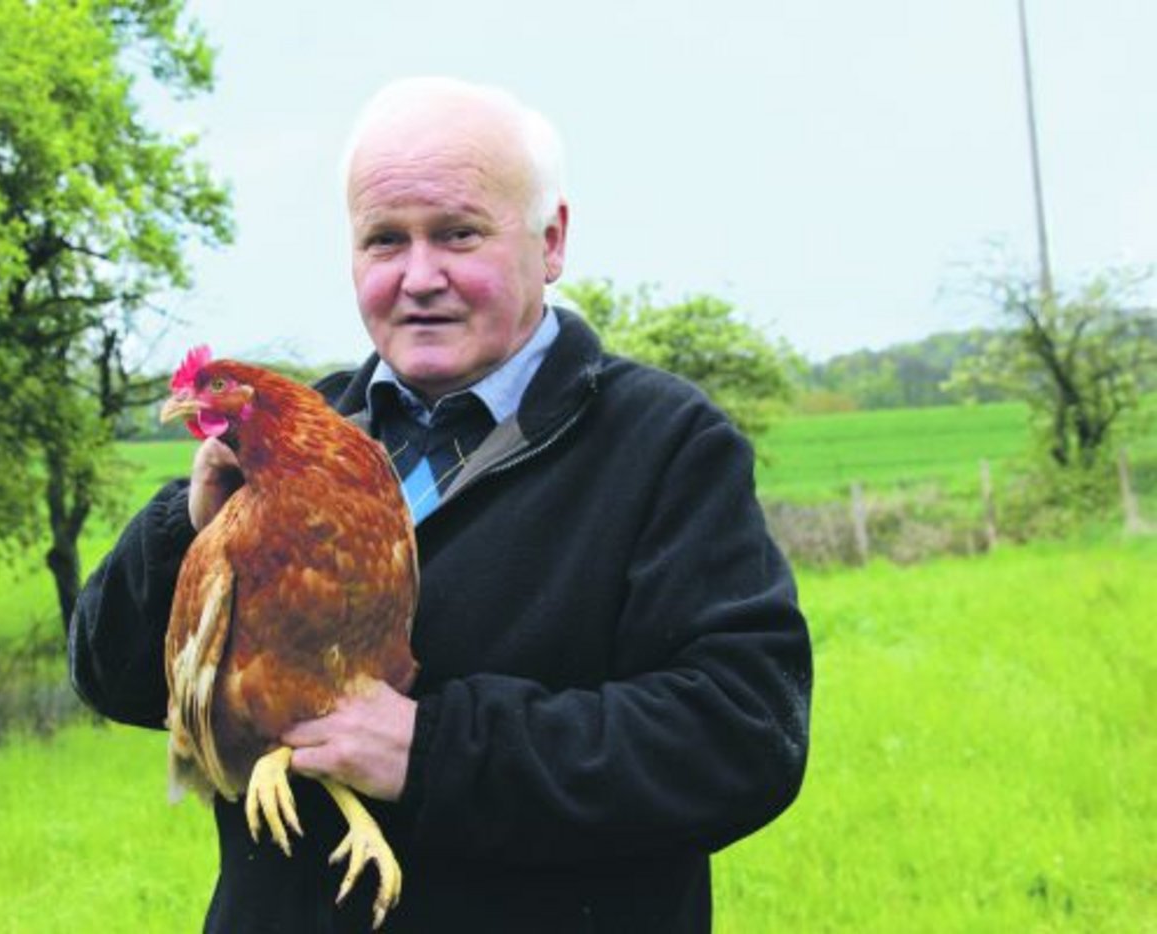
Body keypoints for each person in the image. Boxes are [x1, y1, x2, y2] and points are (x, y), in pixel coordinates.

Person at [69, 76, 812, 934]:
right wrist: (190, 532)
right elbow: (112, 676)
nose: (420, 277)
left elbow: (743, 735)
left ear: (553, 239)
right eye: (384, 241)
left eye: (458, 233)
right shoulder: (291, 436)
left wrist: (435, 752)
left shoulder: (663, 447)